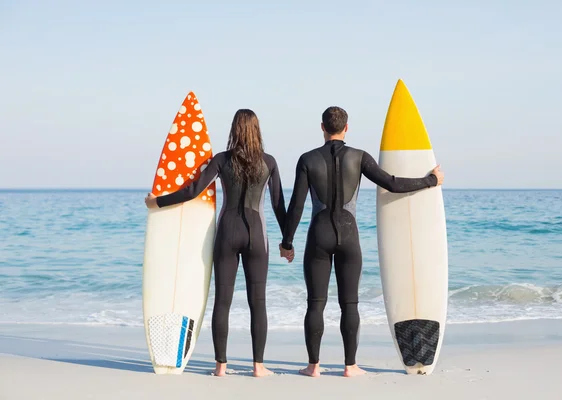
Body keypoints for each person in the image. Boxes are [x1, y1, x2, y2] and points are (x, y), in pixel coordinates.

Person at [279, 106, 444, 378]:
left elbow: (296, 206)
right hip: (349, 235)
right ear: (346, 128)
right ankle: (350, 366)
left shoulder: (307, 159)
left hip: (318, 236)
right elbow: (391, 183)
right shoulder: (359, 157)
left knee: (315, 303)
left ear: (322, 127)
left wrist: (287, 242)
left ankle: (313, 366)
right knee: (350, 303)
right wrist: (430, 180)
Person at [145, 109, 288, 378]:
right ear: (257, 130)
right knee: (258, 302)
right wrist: (287, 242)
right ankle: (258, 366)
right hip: (257, 235)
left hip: (227, 233)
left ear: (234, 129)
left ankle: (220, 367)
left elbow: (193, 190)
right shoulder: (269, 162)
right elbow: (279, 205)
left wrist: (158, 201)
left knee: (222, 301)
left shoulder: (222, 160)